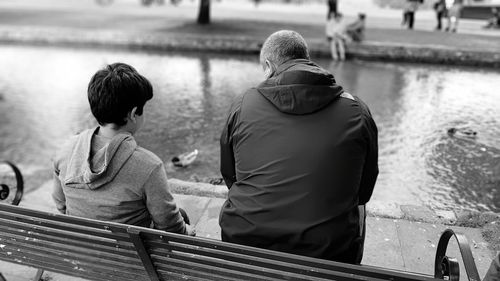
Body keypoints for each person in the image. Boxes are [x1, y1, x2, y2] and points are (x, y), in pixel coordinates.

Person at [219, 30, 379, 264]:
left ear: (268, 66)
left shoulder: (243, 104)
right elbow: (364, 192)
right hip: (328, 250)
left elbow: (230, 175)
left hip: (245, 239)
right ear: (307, 60)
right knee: (358, 210)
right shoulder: (357, 111)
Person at [52, 63, 195, 236]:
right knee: (183, 216)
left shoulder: (65, 149)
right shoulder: (148, 165)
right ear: (133, 113)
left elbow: (60, 203)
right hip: (133, 257)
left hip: (84, 247)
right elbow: (170, 226)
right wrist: (187, 230)